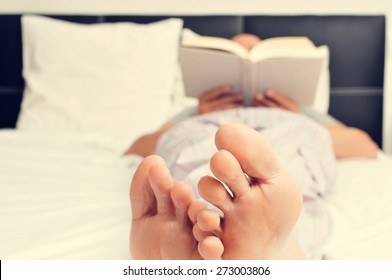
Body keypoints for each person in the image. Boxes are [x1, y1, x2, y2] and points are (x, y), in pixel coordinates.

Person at [127, 34, 378, 260]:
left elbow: (365, 147)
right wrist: (200, 112)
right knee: (202, 169)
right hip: (205, 129)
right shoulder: (193, 111)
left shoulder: (302, 111)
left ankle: (220, 240)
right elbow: (136, 147)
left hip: (287, 130)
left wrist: (295, 113)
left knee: (285, 180)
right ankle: (259, 244)